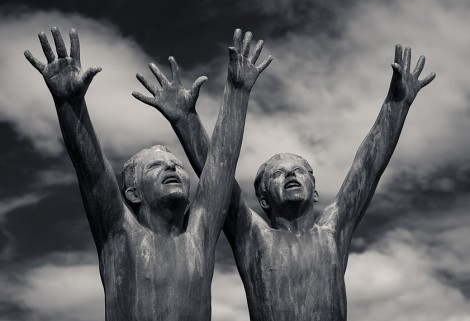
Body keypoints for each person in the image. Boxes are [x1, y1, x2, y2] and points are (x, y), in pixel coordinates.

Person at [135, 41, 435, 321]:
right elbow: (218, 172)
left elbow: (367, 168)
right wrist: (186, 122)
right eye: (278, 174)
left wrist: (397, 105)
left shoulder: (332, 232)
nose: (291, 174)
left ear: (315, 192)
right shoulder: (253, 237)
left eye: (298, 170)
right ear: (263, 200)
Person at [24, 27, 272, 321]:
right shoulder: (121, 234)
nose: (172, 167)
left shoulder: (199, 237)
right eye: (156, 166)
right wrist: (69, 104)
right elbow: (91, 171)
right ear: (133, 193)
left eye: (178, 166)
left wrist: (238, 91)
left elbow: (220, 164)